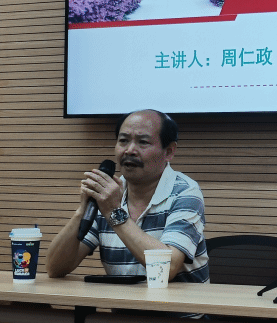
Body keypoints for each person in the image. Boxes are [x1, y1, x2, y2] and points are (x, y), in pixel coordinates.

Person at [46, 109, 209, 282]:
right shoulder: (108, 194)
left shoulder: (185, 192)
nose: (130, 150)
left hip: (177, 300)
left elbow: (166, 268)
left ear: (169, 151)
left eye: (143, 142)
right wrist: (81, 212)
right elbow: (55, 268)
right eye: (123, 141)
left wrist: (114, 213)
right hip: (123, 300)